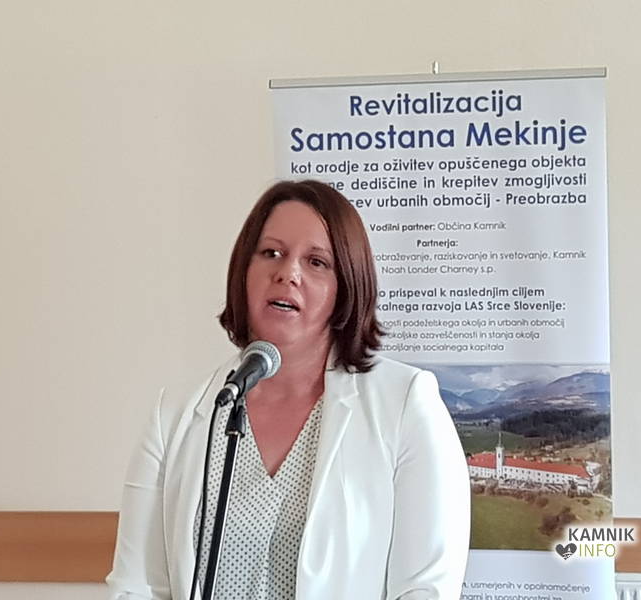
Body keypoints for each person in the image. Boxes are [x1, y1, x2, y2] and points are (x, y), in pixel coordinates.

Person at [106, 180, 470, 599]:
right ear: (244, 271)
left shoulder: (405, 403)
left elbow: (426, 589)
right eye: (271, 253)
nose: (287, 273)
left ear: (346, 287)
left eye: (316, 262)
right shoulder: (176, 413)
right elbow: (136, 586)